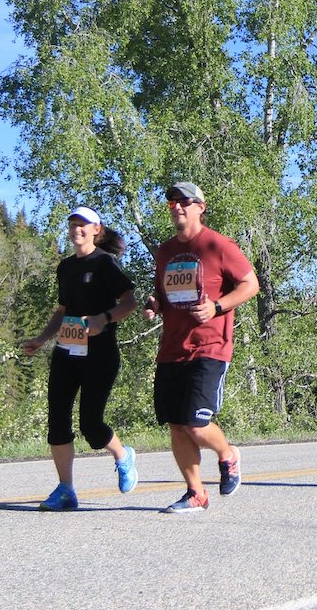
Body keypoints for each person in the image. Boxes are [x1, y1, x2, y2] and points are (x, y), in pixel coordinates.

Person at [145, 181, 261, 514]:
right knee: (176, 424)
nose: (177, 207)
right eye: (171, 203)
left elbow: (250, 284)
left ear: (200, 206)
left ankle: (228, 454)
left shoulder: (218, 245)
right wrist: (154, 304)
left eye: (183, 201)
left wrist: (218, 307)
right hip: (172, 349)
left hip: (209, 347)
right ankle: (196, 493)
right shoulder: (165, 251)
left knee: (195, 423)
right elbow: (163, 294)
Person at [22, 206, 139, 512]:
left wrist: (104, 317)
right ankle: (65, 490)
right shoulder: (65, 267)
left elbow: (130, 303)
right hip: (66, 352)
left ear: (96, 230)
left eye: (83, 225)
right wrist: (41, 339)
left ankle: (122, 455)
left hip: (100, 355)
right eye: (73, 224)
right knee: (57, 420)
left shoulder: (105, 264)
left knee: (91, 425)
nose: (77, 229)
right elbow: (62, 312)